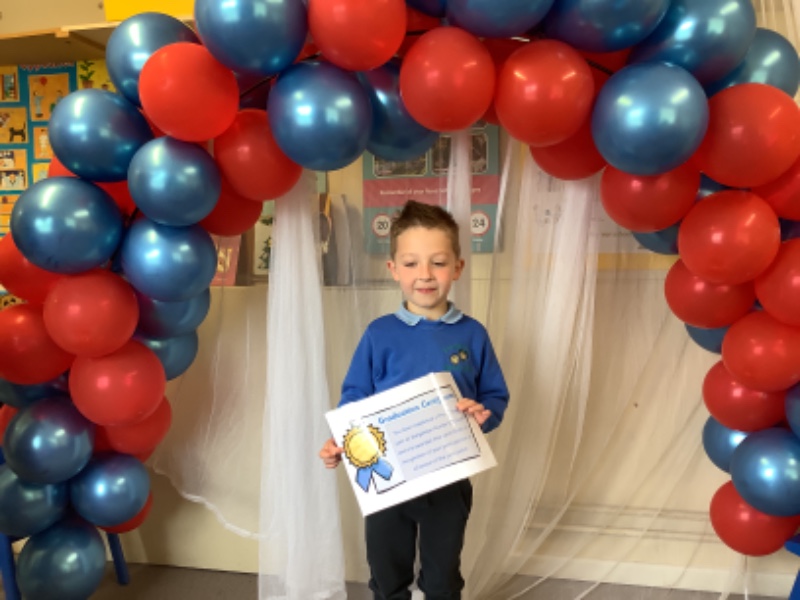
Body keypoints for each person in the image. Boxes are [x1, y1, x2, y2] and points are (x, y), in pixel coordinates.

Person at [319, 200, 509, 600]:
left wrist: (483, 414)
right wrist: (343, 440)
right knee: (387, 575)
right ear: (393, 269)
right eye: (410, 263)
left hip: (450, 477)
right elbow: (355, 397)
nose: (424, 274)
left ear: (457, 267)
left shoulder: (473, 334)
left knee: (442, 578)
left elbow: (494, 396)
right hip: (388, 478)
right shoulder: (379, 334)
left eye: (438, 263)